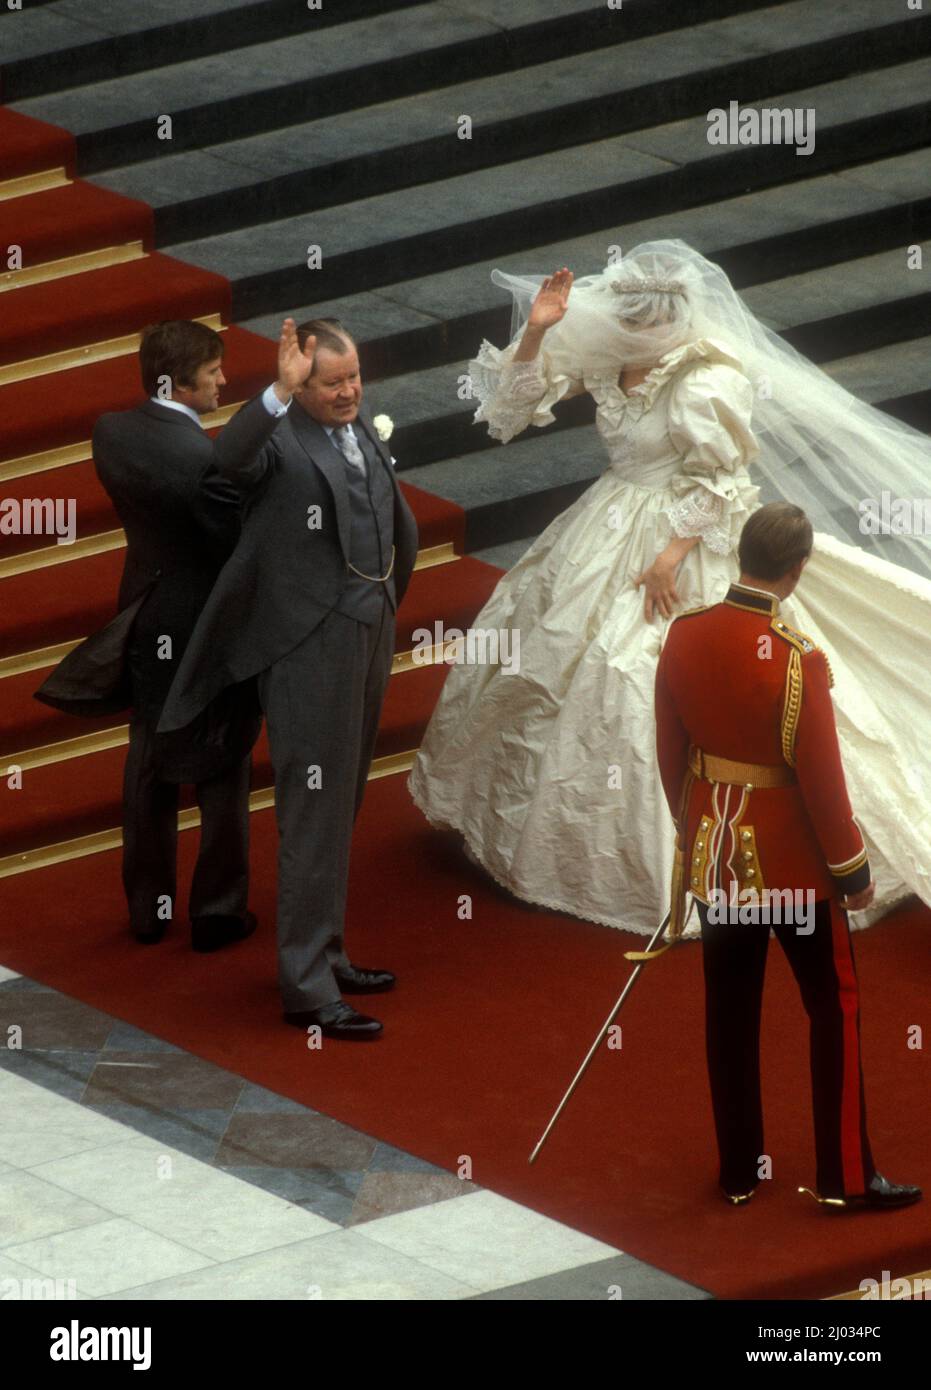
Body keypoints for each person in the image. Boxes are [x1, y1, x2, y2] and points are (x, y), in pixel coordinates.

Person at [408, 239, 931, 938]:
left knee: (632, 674)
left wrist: (671, 554)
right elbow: (507, 410)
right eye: (626, 328)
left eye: (646, 330)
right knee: (551, 658)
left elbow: (720, 479)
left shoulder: (706, 377)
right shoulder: (604, 353)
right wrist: (536, 331)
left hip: (689, 536)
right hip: (605, 523)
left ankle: (699, 863)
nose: (634, 340)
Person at [654, 502, 921, 1210]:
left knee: (729, 1012)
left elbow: (669, 754)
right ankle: (845, 1176)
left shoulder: (683, 635)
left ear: (742, 553)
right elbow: (822, 779)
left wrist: (695, 836)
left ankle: (739, 1170)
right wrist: (851, 868)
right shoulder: (797, 659)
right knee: (834, 1007)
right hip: (795, 869)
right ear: (796, 571)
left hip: (718, 857)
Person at [158, 319, 419, 1039]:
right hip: (307, 641)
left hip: (369, 622)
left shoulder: (357, 423)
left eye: (354, 378)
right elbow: (227, 463)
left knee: (343, 801)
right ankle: (305, 988)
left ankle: (329, 951)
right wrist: (274, 389)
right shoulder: (274, 435)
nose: (349, 392)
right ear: (300, 383)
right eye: (331, 383)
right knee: (311, 809)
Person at [36, 318, 301, 950]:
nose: (222, 381)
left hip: (147, 615)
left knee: (150, 760)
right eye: (212, 373)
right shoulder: (203, 459)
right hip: (207, 627)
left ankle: (147, 911)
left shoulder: (113, 433)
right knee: (222, 763)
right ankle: (217, 912)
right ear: (177, 383)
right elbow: (234, 540)